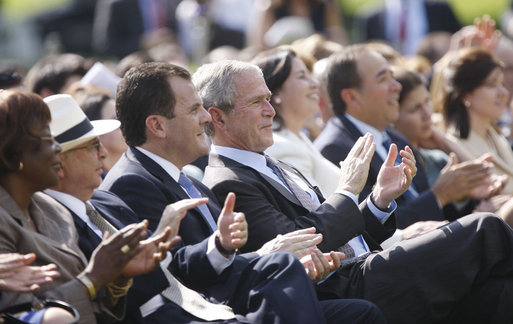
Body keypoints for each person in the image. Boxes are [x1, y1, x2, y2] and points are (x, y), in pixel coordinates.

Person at [194, 58, 513, 323]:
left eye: (267, 98)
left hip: (367, 266)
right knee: (486, 228)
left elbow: (341, 232)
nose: (270, 110)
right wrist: (347, 189)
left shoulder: (266, 162)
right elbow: (302, 244)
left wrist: (378, 200)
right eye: (256, 102)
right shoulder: (228, 180)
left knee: (493, 293)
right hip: (343, 287)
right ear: (218, 117)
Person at [97, 61, 385, 323]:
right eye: (193, 110)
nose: (204, 119)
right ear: (158, 126)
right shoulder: (132, 183)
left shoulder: (186, 180)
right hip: (214, 312)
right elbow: (175, 278)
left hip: (241, 298)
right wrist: (265, 256)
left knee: (360, 313)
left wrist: (272, 257)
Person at [0, 90, 172, 323]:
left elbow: (96, 304)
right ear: (12, 155)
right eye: (46, 139)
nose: (57, 150)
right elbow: (24, 314)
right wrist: (92, 278)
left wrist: (117, 277)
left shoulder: (53, 210)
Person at [313, 45, 498, 227]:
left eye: (392, 77)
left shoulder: (395, 138)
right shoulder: (335, 148)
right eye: (383, 79)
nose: (396, 86)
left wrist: (461, 194)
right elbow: (367, 229)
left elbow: (435, 214)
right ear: (352, 97)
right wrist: (439, 195)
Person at [392, 67, 505, 220]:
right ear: (393, 115)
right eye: (415, 109)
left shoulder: (436, 158)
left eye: (427, 102)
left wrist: (446, 143)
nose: (427, 114)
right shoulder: (393, 167)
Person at [255, 47, 340, 197]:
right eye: (302, 76)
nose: (314, 84)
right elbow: (314, 210)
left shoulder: (297, 136)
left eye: (310, 75)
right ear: (276, 92)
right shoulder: (280, 145)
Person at [443, 47, 513, 195]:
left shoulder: (497, 138)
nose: (504, 93)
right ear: (466, 94)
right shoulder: (454, 147)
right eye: (492, 85)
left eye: (503, 85)